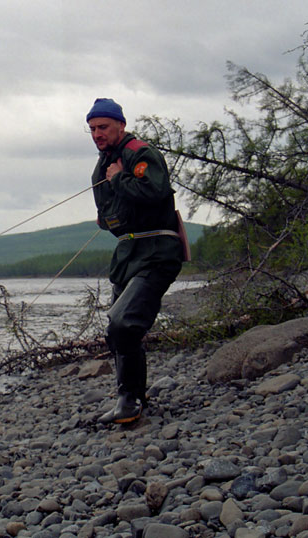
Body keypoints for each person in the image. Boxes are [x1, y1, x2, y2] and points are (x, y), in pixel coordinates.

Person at [87, 97, 184, 424]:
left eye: (102, 127)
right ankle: (132, 398)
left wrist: (119, 179)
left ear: (121, 125)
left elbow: (155, 192)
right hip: (127, 256)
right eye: (92, 129)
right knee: (117, 332)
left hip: (158, 251)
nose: (97, 133)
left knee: (123, 322)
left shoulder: (140, 153)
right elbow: (113, 213)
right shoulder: (101, 166)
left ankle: (129, 401)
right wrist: (108, 219)